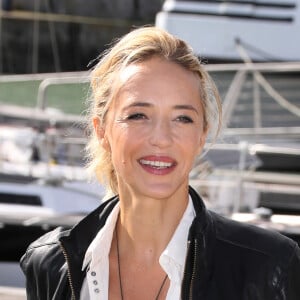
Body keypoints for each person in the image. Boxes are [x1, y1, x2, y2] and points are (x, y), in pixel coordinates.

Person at [20, 26, 300, 300]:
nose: (161, 138)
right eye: (138, 115)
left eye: (182, 118)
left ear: (201, 135)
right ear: (102, 130)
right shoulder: (50, 263)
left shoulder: (269, 266)